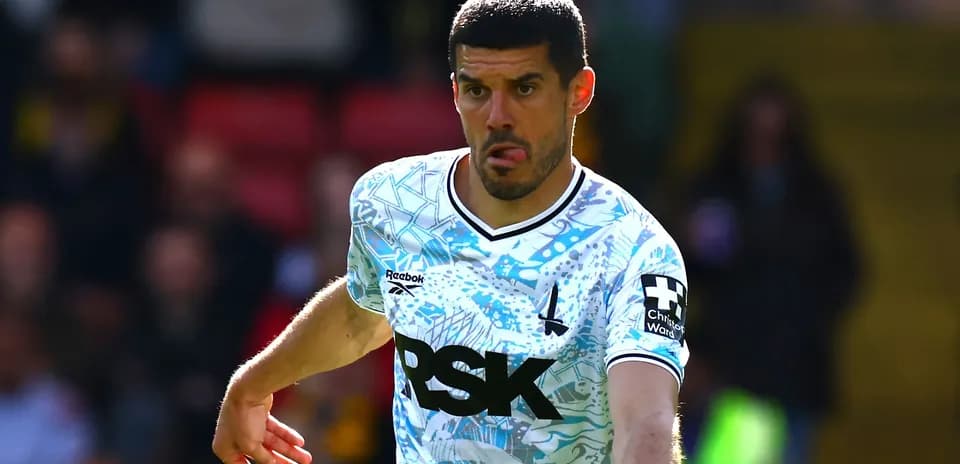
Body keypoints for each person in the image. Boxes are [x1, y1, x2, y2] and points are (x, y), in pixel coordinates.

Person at [212, 1, 690, 463]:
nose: (498, 116)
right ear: (456, 93)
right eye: (478, 89)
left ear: (578, 93)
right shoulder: (395, 202)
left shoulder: (634, 252)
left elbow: (646, 423)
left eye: (525, 88)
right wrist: (254, 383)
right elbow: (363, 314)